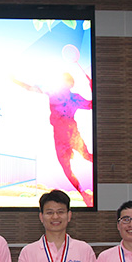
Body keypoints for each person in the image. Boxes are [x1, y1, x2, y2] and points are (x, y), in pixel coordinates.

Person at [13, 74, 94, 207]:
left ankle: (96, 178)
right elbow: (30, 88)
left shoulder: (74, 98)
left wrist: (92, 87)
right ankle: (83, 193)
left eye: (66, 83)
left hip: (72, 134)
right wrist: (14, 80)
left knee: (86, 156)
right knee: (66, 168)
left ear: (71, 85)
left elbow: (91, 105)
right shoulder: (53, 93)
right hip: (60, 136)